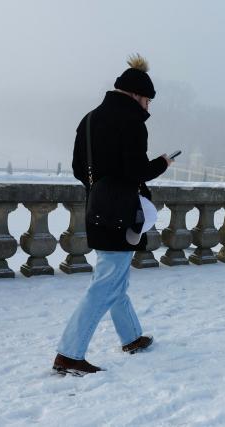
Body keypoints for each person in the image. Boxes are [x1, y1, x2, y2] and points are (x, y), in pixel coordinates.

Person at [53, 54, 174, 376]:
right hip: (122, 214)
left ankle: (132, 336)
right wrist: (162, 162)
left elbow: (81, 169)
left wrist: (104, 188)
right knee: (106, 283)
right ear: (136, 95)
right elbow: (137, 171)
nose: (148, 107)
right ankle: (69, 353)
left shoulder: (90, 118)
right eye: (148, 100)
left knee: (112, 277)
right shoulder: (131, 122)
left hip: (97, 207)